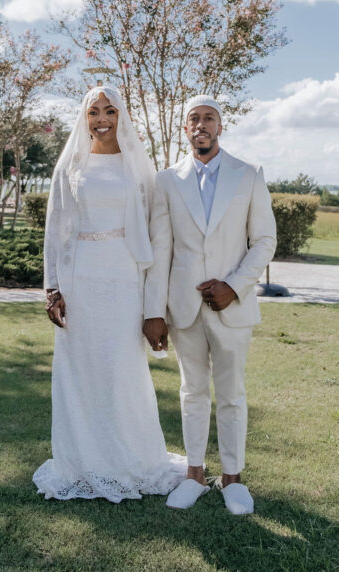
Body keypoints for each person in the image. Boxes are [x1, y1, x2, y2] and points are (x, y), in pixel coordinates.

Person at [33, 86, 186, 502]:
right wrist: (53, 288)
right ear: (84, 118)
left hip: (123, 278)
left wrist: (154, 307)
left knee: (121, 371)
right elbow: (56, 228)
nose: (102, 118)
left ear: (122, 115)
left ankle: (129, 461)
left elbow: (157, 236)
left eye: (110, 110)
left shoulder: (138, 167)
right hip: (79, 280)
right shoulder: (71, 166)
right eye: (93, 111)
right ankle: (81, 464)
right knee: (80, 372)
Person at [143, 96, 276, 514]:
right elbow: (161, 248)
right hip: (183, 308)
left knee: (232, 393)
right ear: (185, 129)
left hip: (230, 307)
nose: (201, 125)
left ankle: (234, 480)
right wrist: (154, 311)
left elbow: (265, 241)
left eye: (209, 119)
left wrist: (234, 286)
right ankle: (195, 476)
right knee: (192, 392)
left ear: (220, 127)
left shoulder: (249, 174)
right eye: (193, 119)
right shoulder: (167, 181)